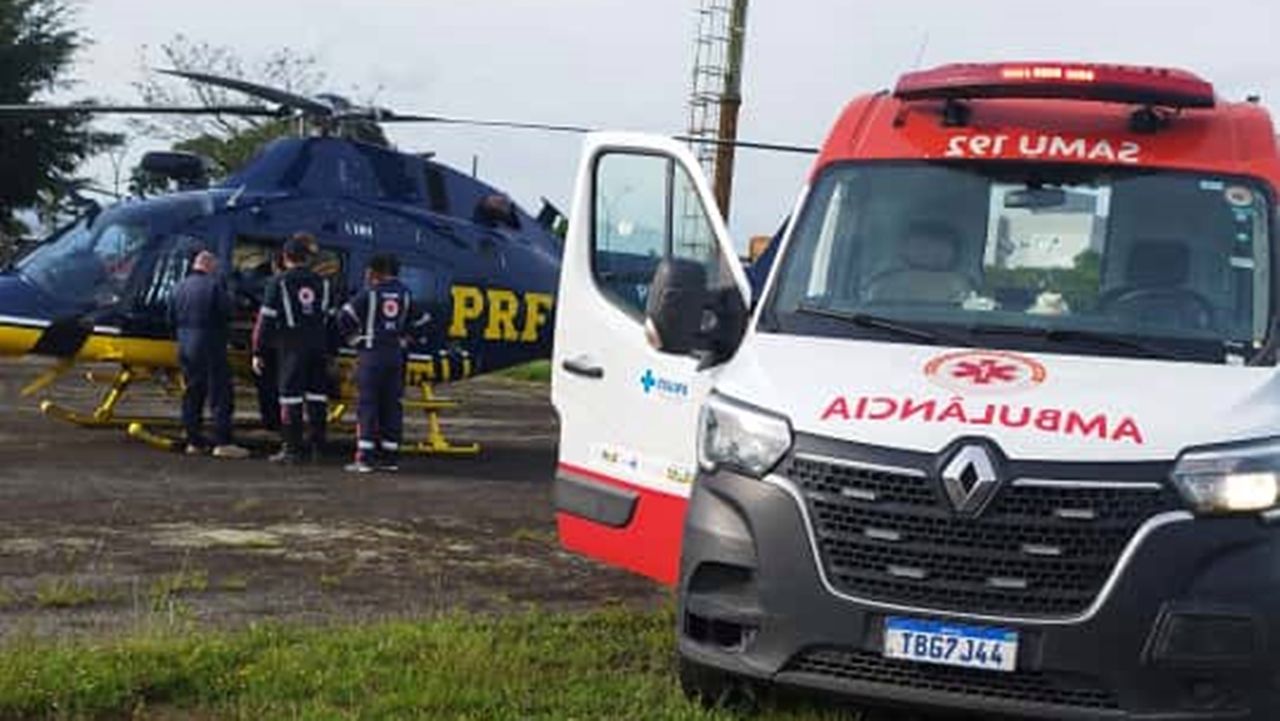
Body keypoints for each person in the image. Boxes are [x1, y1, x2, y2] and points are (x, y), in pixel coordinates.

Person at [338, 253, 432, 473]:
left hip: (372, 356)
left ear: (375, 272)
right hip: (396, 356)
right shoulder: (406, 295)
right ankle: (390, 457)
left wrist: (353, 340)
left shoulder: (369, 294)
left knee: (368, 405)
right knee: (392, 406)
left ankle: (365, 458)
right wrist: (409, 337)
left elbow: (344, 317)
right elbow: (424, 321)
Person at [253, 234, 333, 464]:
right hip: (318, 346)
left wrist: (258, 351)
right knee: (317, 397)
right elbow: (329, 320)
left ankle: (292, 449)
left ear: (285, 257)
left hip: (291, 346)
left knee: (290, 397)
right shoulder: (324, 283)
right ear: (308, 258)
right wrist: (331, 352)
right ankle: (319, 449)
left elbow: (265, 320)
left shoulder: (278, 282)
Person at [170, 250, 250, 459]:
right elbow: (228, 311)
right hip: (210, 343)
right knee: (220, 394)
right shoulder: (214, 286)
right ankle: (223, 441)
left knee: (192, 392)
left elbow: (170, 316)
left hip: (185, 344)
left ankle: (193, 440)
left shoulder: (178, 287)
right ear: (209, 265)